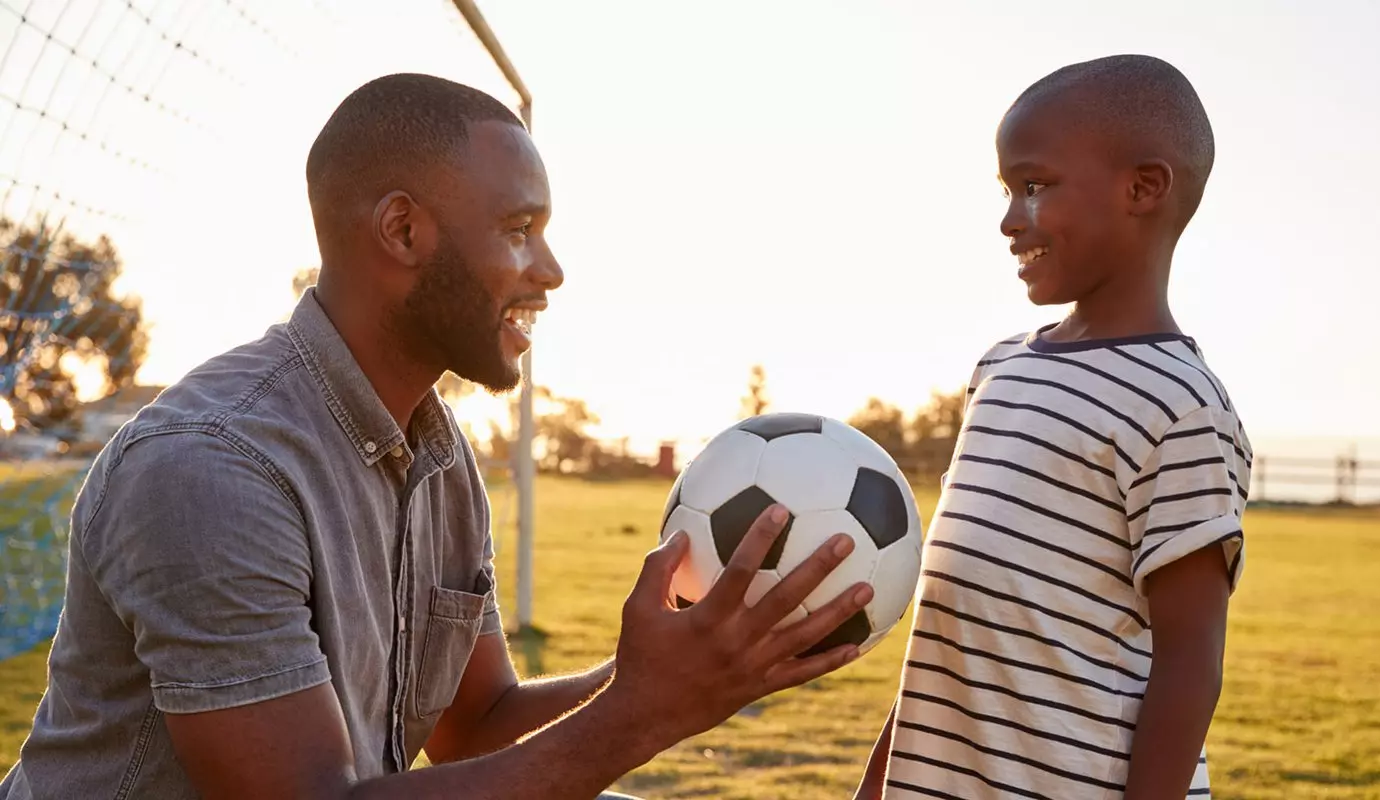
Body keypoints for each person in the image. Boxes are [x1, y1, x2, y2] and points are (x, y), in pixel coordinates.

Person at [0, 73, 874, 800]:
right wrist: (645, 711)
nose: (551, 271)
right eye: (519, 230)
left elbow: (478, 726)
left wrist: (681, 665)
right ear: (404, 230)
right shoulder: (209, 469)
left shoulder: (438, 451)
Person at [855, 54, 1251, 799]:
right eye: (1006, 190)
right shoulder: (999, 371)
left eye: (1034, 187)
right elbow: (949, 630)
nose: (1010, 219)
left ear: (1143, 188)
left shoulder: (1180, 405)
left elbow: (1190, 663)